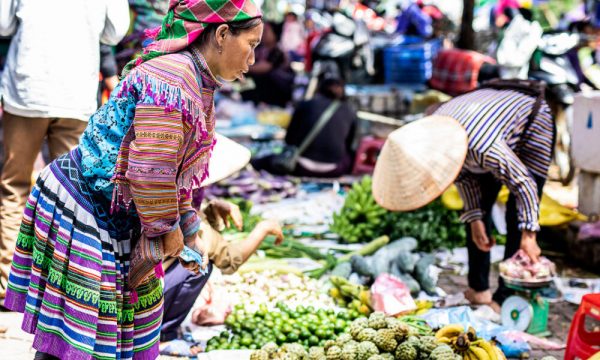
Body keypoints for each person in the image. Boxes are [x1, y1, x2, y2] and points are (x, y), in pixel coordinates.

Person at [3, 0, 264, 358]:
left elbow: (175, 176)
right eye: (251, 45)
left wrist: (187, 230)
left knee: (110, 334)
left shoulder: (196, 80)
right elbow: (149, 171)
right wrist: (168, 231)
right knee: (78, 340)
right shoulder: (174, 78)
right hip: (85, 207)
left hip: (111, 212)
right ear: (221, 35)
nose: (252, 60)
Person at [372, 80, 555, 311]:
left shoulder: (484, 147)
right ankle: (479, 289)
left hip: (532, 120)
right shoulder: (438, 143)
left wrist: (530, 235)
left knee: (516, 214)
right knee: (477, 216)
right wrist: (476, 219)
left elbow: (524, 183)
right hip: (482, 130)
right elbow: (464, 179)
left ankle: (506, 296)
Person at [0, 0, 130, 299]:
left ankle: (8, 285)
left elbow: (3, 25)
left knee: (14, 187)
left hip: (27, 92)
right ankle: (62, 288)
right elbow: (114, 32)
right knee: (75, 197)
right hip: (76, 94)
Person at [159, 134, 283, 357]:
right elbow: (230, 260)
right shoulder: (192, 223)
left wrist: (212, 206)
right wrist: (263, 229)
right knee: (201, 265)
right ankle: (162, 334)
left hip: (129, 290)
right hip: (144, 295)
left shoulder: (164, 196)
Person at [252, 76, 357, 177]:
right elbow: (349, 146)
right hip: (334, 170)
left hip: (301, 167)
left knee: (263, 161)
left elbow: (289, 139)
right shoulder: (350, 111)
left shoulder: (307, 104)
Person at [241, 21, 294, 107]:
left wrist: (243, 68)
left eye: (265, 31)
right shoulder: (260, 49)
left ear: (275, 34)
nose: (262, 34)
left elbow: (265, 68)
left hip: (277, 92)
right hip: (263, 90)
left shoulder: (278, 51)